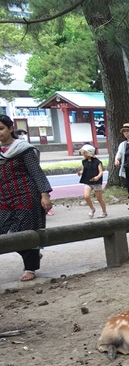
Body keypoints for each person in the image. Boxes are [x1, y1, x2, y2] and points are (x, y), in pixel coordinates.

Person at [0, 115, 52, 281]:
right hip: (3, 197)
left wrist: (45, 195)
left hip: (26, 196)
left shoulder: (23, 149)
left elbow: (36, 173)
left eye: (1, 128)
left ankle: (30, 267)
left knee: (24, 232)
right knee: (4, 232)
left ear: (10, 128)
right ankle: (31, 254)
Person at [77, 144, 107, 219]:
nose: (83, 155)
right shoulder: (84, 162)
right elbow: (83, 170)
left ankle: (104, 212)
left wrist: (97, 177)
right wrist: (80, 172)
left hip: (96, 182)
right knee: (86, 196)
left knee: (99, 198)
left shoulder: (97, 162)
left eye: (84, 153)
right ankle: (92, 209)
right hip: (87, 180)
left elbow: (101, 172)